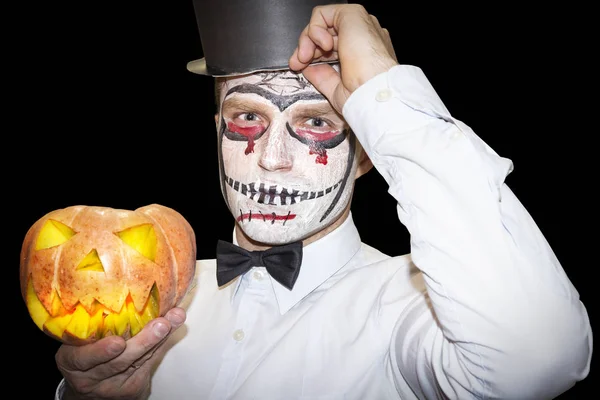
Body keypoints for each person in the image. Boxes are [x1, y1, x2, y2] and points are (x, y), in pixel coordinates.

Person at [53, 1, 592, 399]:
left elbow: (539, 357)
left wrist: (384, 92)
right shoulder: (143, 298)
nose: (271, 158)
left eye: (314, 122)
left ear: (363, 155)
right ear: (215, 134)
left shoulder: (411, 312)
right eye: (247, 118)